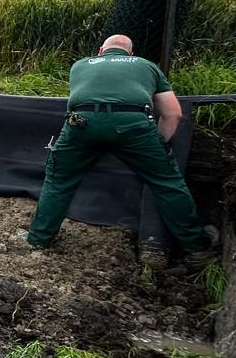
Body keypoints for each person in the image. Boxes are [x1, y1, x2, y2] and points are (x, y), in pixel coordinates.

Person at [24, 34, 216, 261]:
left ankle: (37, 240)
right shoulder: (146, 66)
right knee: (167, 184)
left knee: (58, 181)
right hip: (133, 125)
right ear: (131, 54)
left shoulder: (80, 65)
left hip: (82, 123)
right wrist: (158, 144)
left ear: (100, 51)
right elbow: (173, 114)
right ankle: (197, 247)